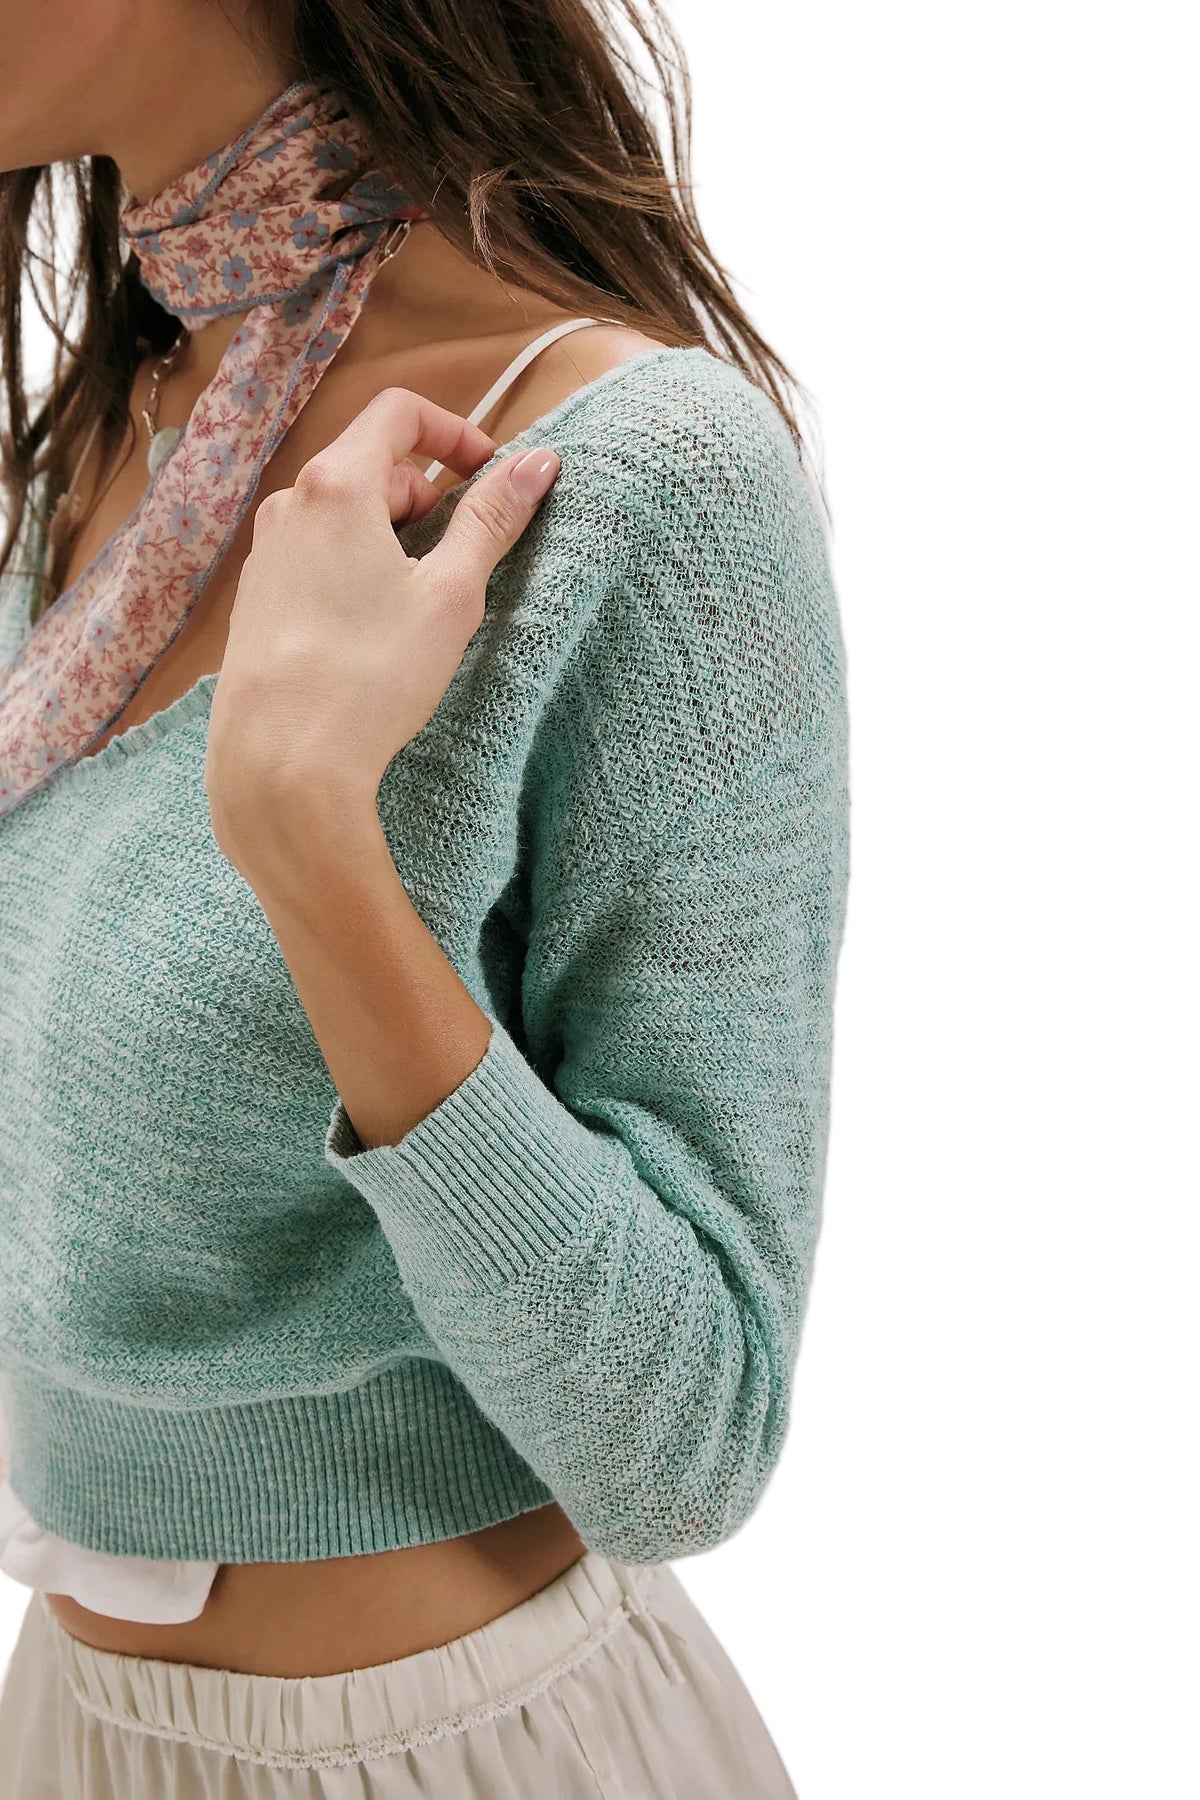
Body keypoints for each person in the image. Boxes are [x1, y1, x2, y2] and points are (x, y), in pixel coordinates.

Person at [0, 0, 849, 1792]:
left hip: (463, 1750)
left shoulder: (635, 476)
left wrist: (314, 842)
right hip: (73, 1732)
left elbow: (691, 1440)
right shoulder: (109, 450)